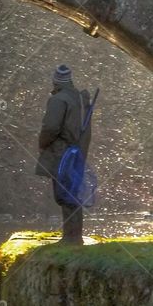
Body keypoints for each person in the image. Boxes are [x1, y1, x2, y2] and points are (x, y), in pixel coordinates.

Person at [34, 64, 92, 245]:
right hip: (78, 151)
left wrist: (42, 145)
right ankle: (74, 236)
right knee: (73, 191)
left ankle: (71, 238)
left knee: (65, 193)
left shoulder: (58, 100)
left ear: (56, 81)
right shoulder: (80, 99)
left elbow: (51, 128)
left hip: (62, 152)